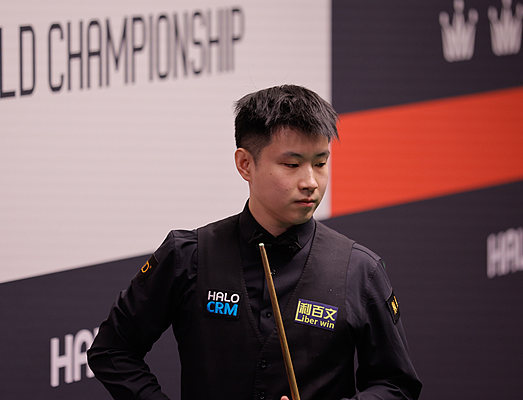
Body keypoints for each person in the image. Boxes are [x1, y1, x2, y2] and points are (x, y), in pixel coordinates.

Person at [88, 85, 422, 400]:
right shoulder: (188, 256)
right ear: (245, 164)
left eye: (321, 163)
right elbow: (112, 351)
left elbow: (396, 384)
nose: (310, 181)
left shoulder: (360, 269)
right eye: (292, 164)